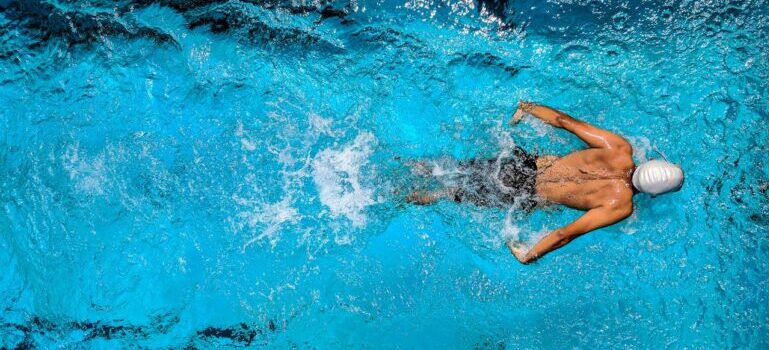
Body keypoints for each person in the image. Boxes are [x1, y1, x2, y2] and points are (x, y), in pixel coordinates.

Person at [407, 101, 684, 264]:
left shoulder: (619, 149)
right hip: (525, 195)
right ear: (653, 194)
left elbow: (565, 121)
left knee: (449, 169)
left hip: (522, 164)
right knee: (450, 193)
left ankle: (407, 164)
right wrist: (530, 255)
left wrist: (527, 108)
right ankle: (403, 197)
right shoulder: (620, 205)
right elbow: (566, 233)